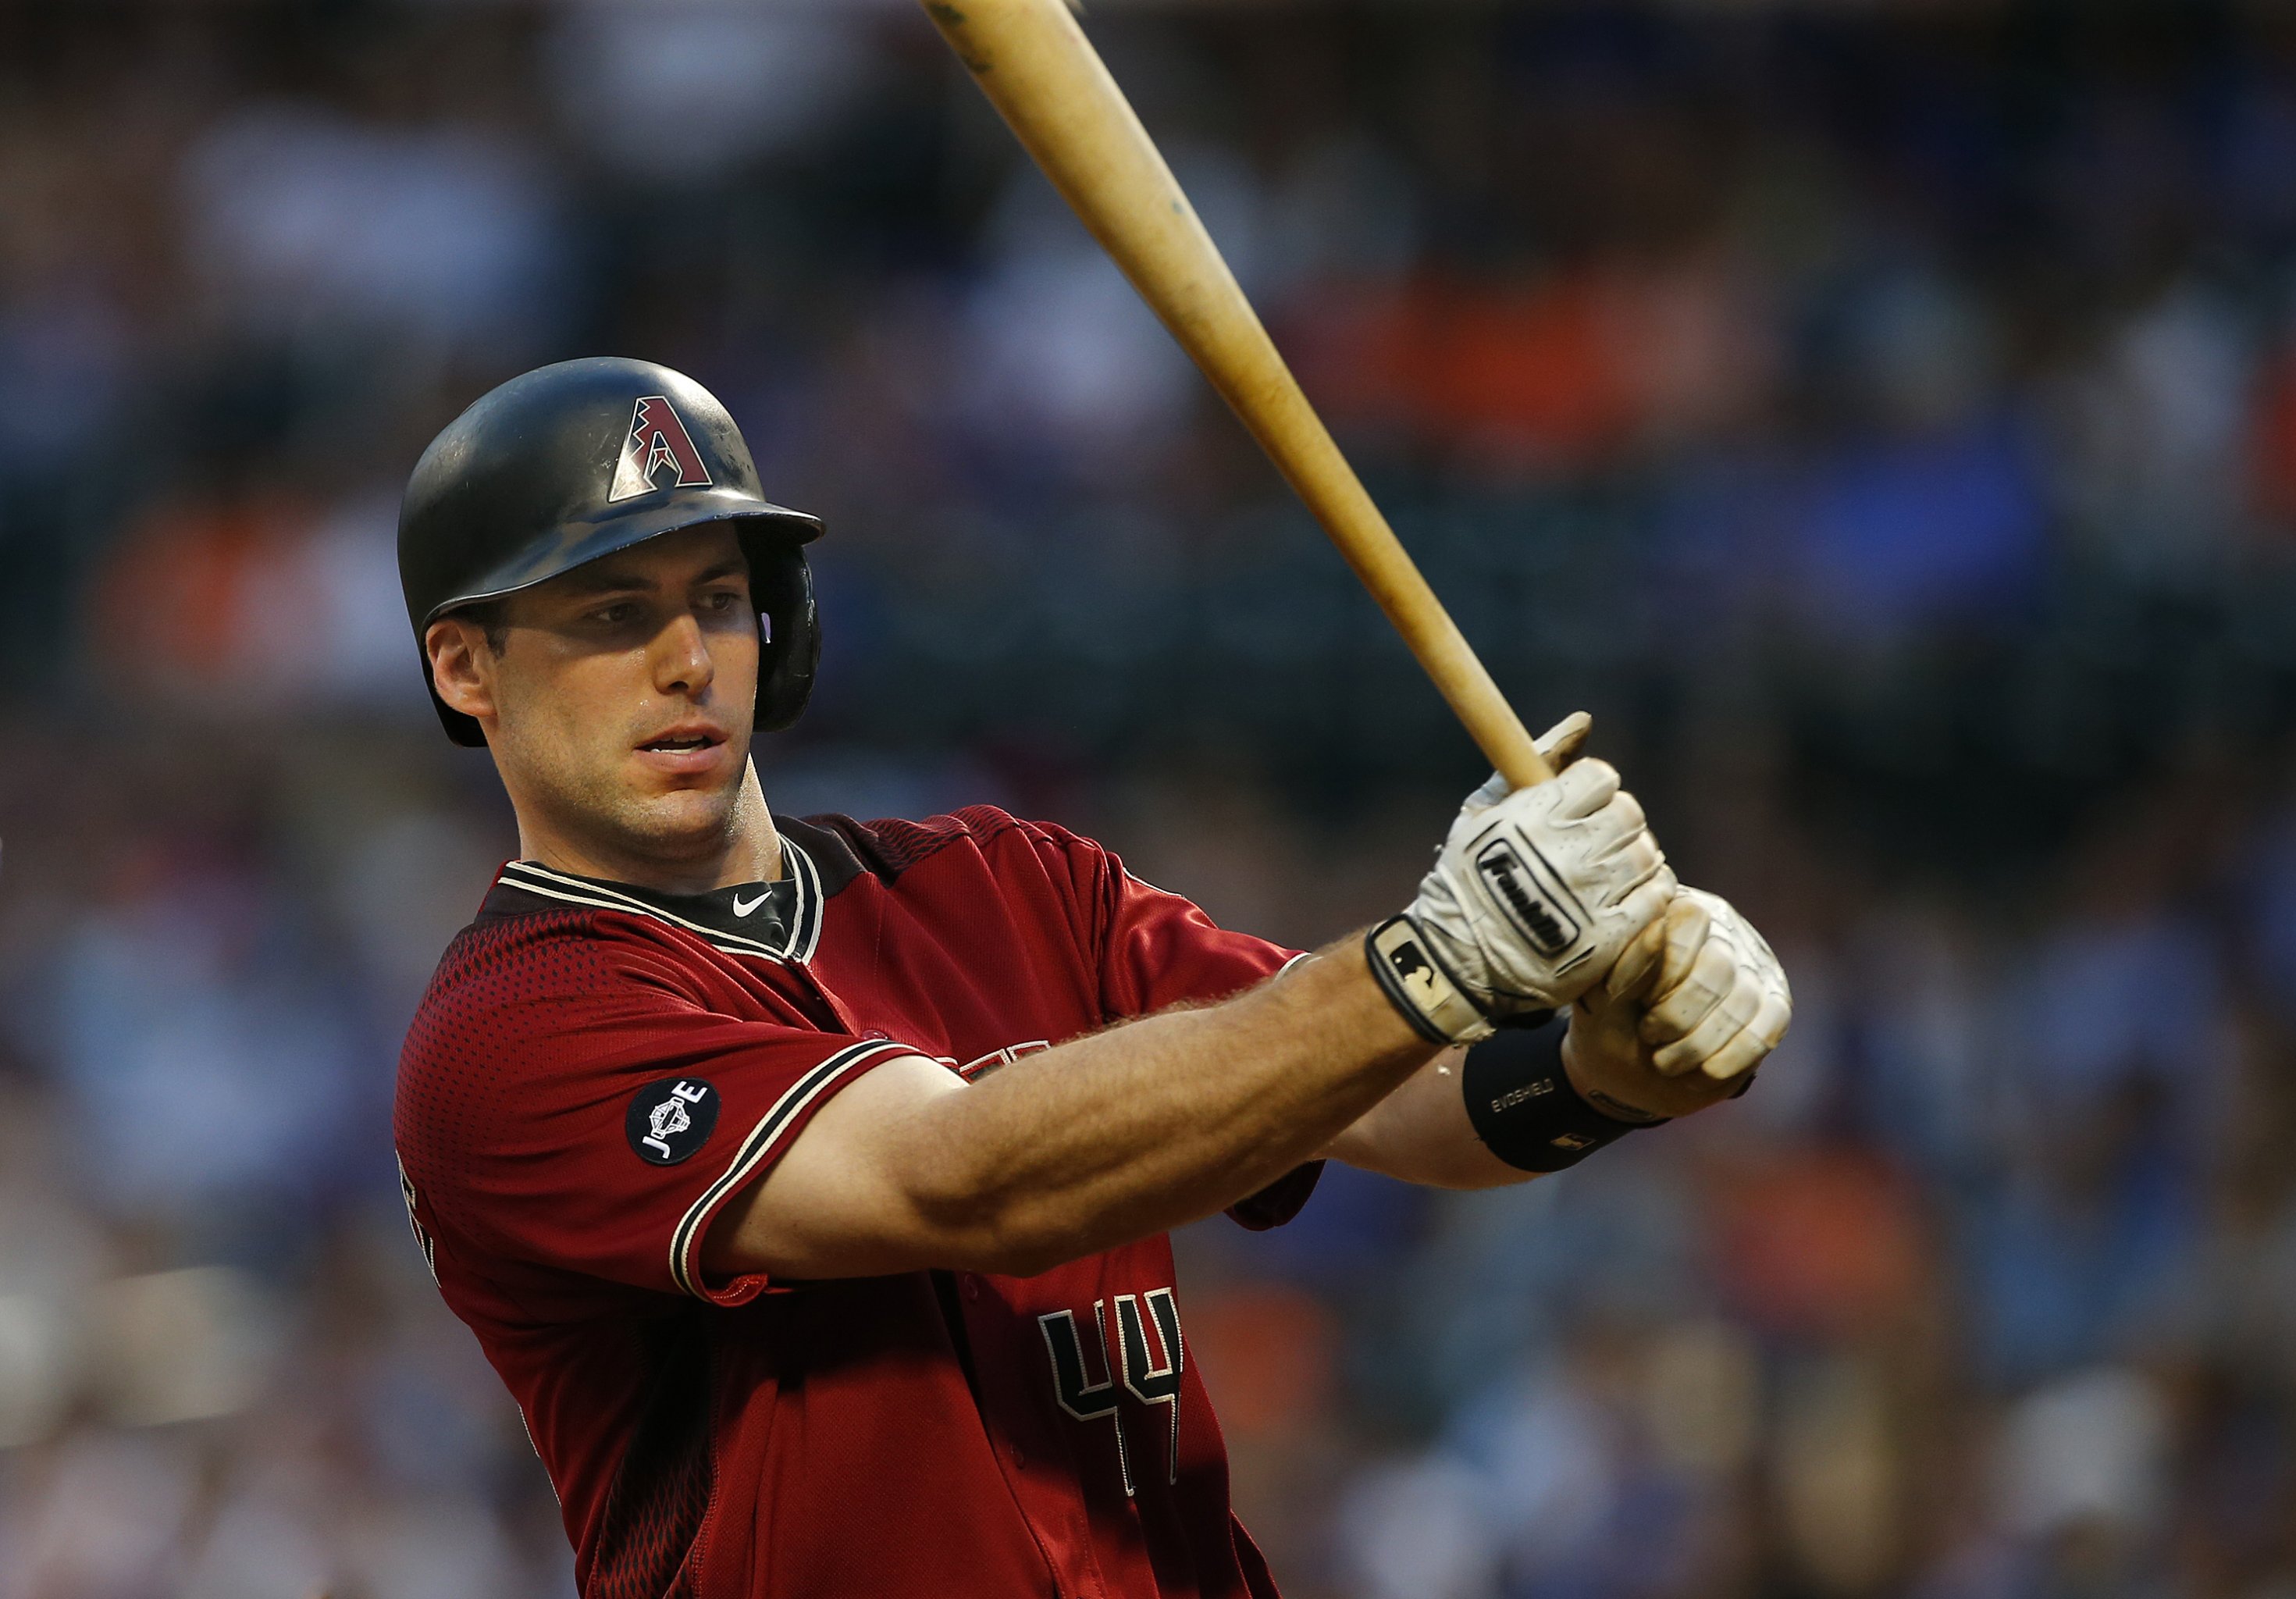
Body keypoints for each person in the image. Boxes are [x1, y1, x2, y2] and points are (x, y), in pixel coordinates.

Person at [391, 358, 1791, 1599]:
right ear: (468, 668)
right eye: (612, 614)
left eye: (722, 600)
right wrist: (1440, 959)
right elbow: (957, 1180)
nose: (689, 660)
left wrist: (1599, 1071)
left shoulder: (1006, 880)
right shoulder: (509, 1033)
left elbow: (1379, 1093)